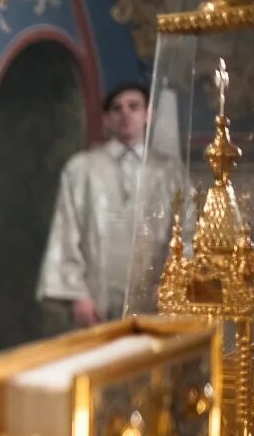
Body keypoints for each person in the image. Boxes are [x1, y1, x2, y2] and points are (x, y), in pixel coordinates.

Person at [37, 82, 179, 328]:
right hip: (97, 301)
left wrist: (173, 285)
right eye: (117, 108)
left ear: (148, 114)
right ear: (106, 118)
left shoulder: (169, 172)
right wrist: (78, 294)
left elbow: (184, 232)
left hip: (156, 298)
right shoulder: (82, 169)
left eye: (133, 107)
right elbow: (66, 231)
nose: (125, 114)